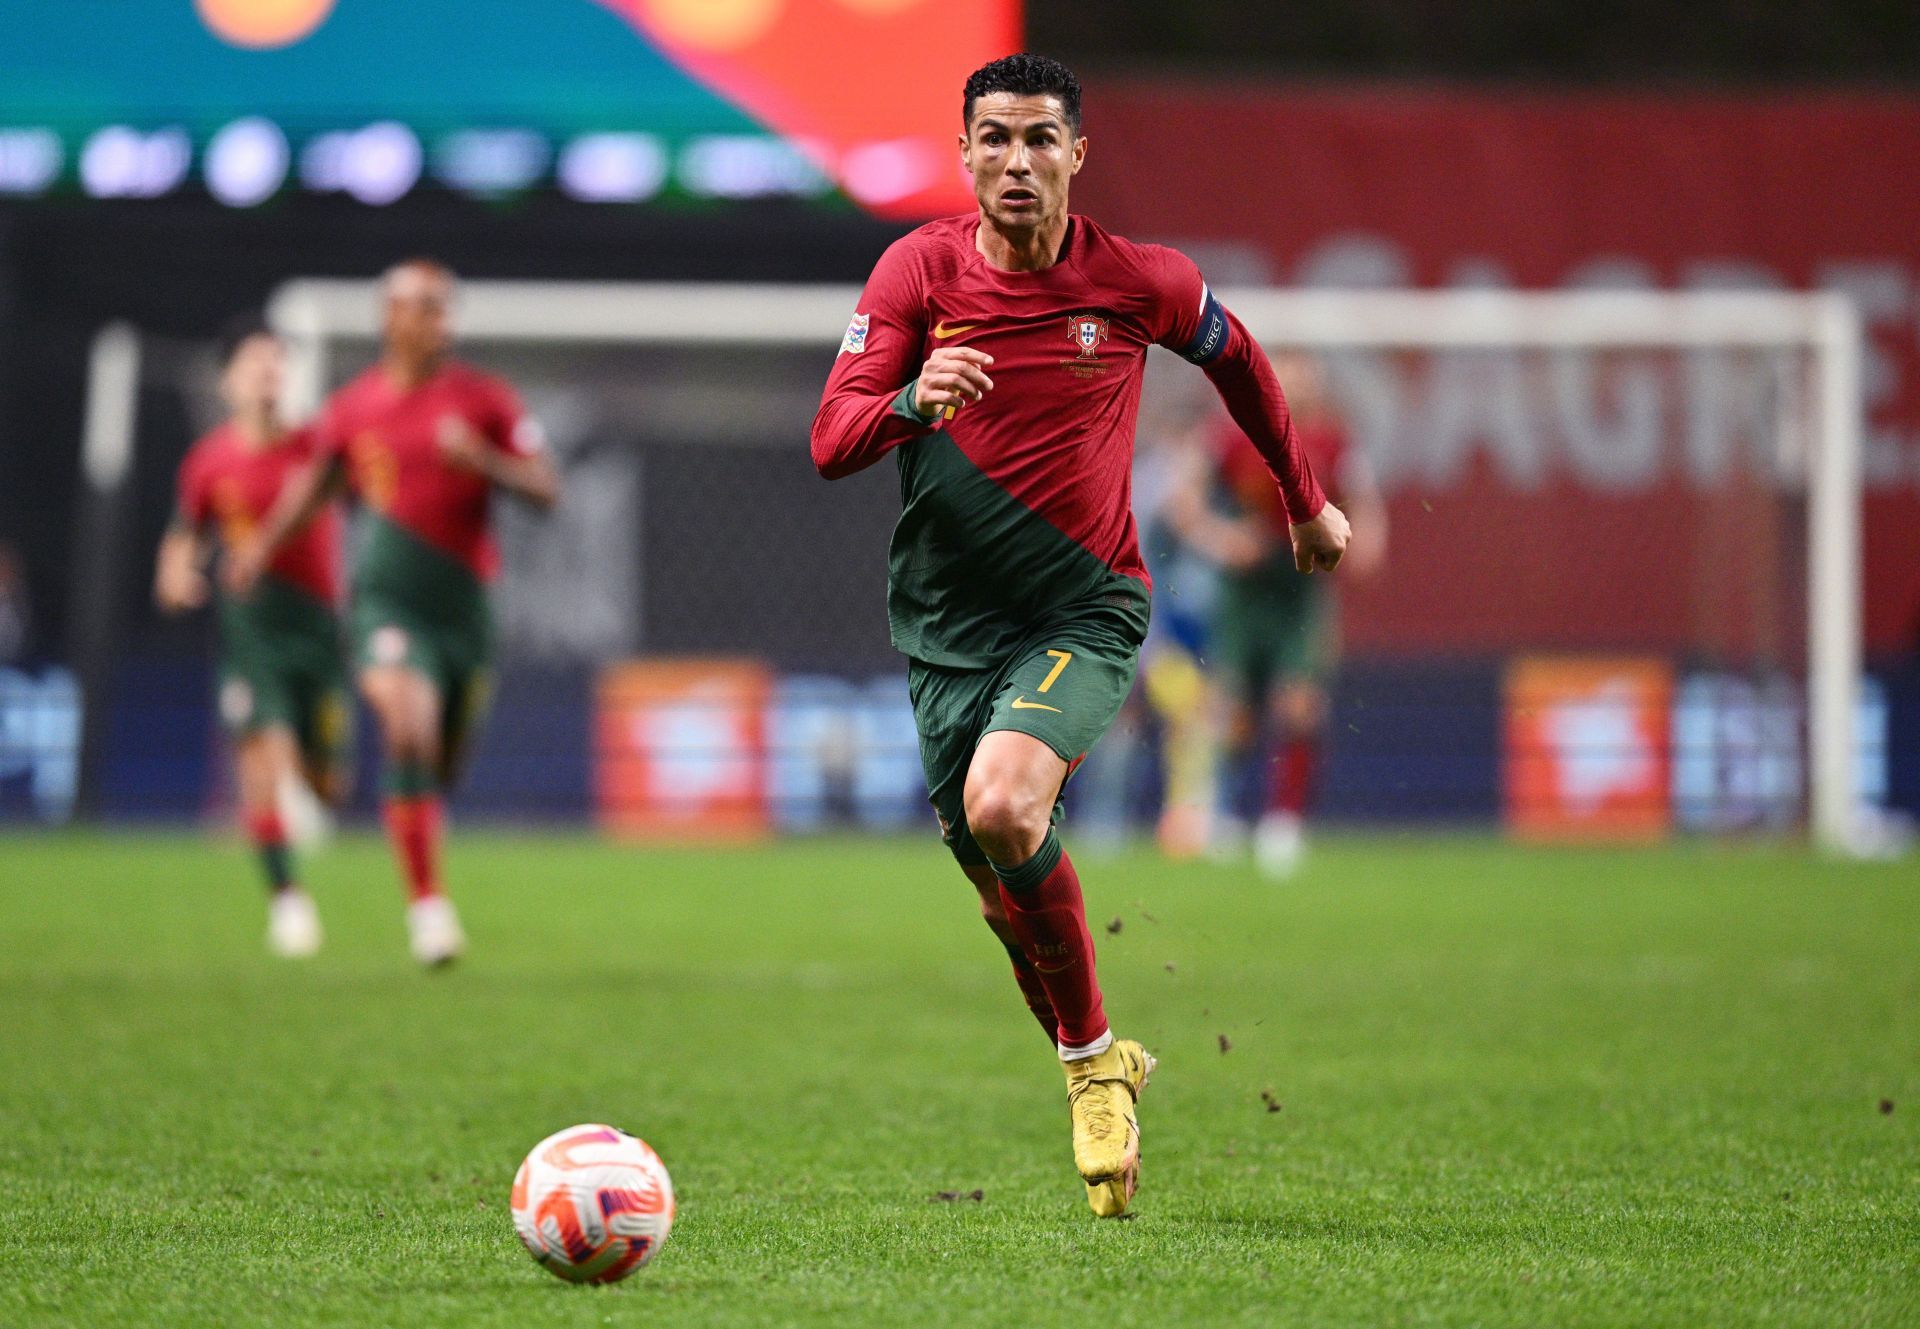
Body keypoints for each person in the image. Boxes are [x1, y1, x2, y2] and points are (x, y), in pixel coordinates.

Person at [810, 53, 1349, 1217]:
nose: (1016, 161)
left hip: (1085, 607)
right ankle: (1095, 1057)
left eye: (1040, 139)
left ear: (1077, 156)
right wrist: (912, 399)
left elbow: (1241, 361)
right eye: (994, 139)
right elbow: (832, 436)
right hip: (950, 630)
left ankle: (1088, 1061)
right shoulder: (917, 271)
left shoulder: (1139, 281)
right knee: (1004, 891)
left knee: (1009, 807)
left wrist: (1303, 503)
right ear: (964, 156)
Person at [229, 260, 559, 967]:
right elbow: (311, 489)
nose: (443, 323)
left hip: (464, 612)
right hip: (385, 600)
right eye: (428, 310)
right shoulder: (352, 408)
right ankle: (428, 911)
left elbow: (545, 488)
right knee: (405, 730)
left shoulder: (484, 400)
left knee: (440, 763)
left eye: (447, 310)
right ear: (392, 319)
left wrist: (486, 463)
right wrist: (258, 548)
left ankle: (413, 835)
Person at [156, 321, 348, 957]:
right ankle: (288, 902)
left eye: (277, 363)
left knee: (326, 784)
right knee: (260, 763)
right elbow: (186, 534)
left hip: (317, 629)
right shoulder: (209, 460)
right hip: (253, 628)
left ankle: (309, 790)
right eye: (255, 363)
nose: (269, 373)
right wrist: (177, 574)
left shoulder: (316, 447)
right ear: (228, 379)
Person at [1173, 351, 1388, 876]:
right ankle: (1222, 813)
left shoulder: (1334, 442)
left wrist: (1365, 544)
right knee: (1235, 715)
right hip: (1243, 592)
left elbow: (1365, 504)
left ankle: (1283, 825)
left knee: (1300, 706)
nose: (1294, 386)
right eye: (1284, 375)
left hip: (1300, 589)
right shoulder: (1228, 434)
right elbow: (1183, 503)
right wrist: (1222, 540)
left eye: (1303, 376)